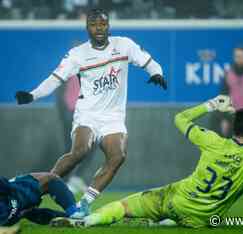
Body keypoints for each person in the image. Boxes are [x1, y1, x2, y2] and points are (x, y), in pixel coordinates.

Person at [50, 95, 243, 229]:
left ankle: (88, 221)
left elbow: (180, 118)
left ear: (233, 126)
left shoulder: (211, 140)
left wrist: (211, 104)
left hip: (176, 200)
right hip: (203, 220)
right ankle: (162, 219)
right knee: (173, 215)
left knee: (125, 206)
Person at [15, 8, 167, 217]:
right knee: (80, 151)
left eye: (103, 24)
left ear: (108, 27)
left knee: (118, 156)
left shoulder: (124, 45)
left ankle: (84, 204)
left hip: (113, 117)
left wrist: (157, 73)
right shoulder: (77, 54)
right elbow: (55, 79)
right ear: (87, 28)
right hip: (87, 114)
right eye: (94, 25)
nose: (99, 29)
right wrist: (33, 95)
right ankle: (38, 189)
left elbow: (148, 61)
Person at [0, 172, 81, 227]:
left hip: (13, 213)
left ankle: (73, 218)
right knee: (51, 179)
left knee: (28, 212)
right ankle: (75, 214)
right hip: (20, 200)